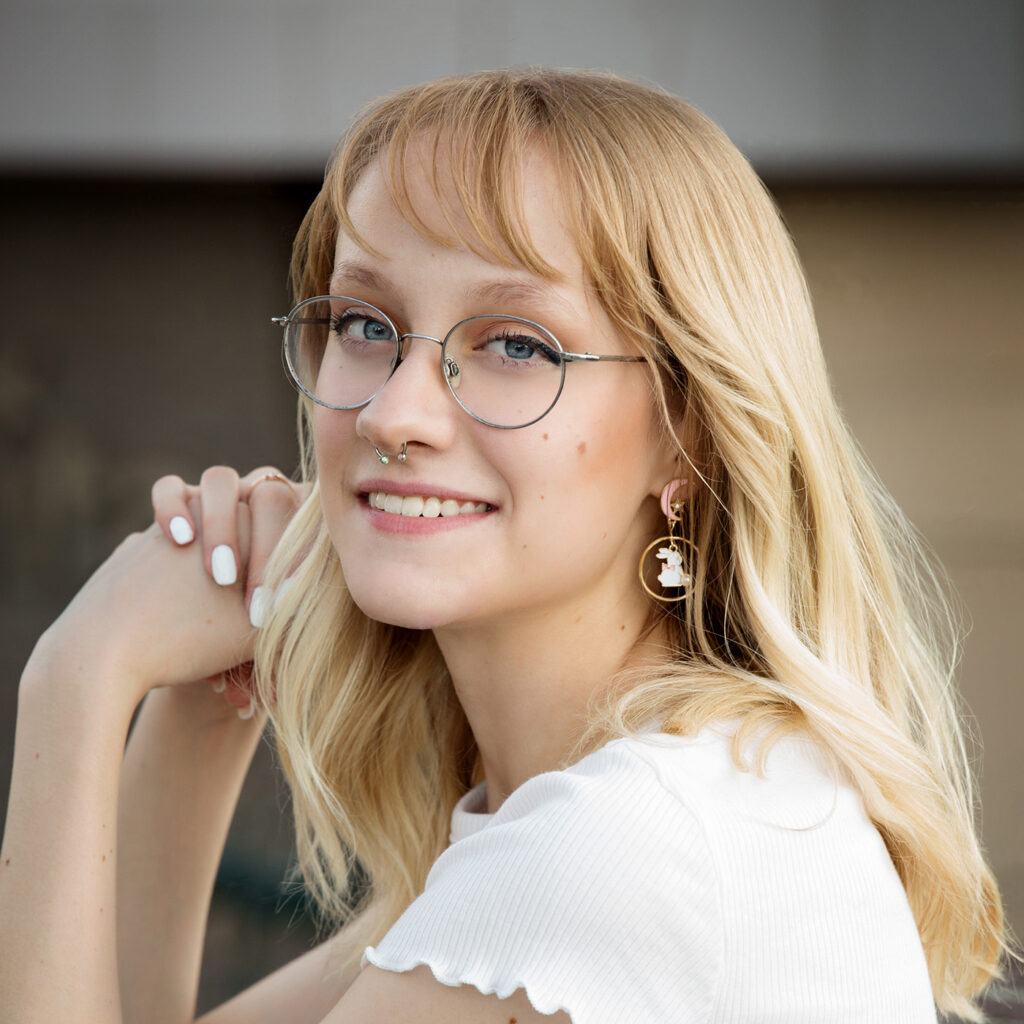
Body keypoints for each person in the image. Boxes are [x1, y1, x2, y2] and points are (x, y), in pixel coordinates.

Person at [0, 68, 1008, 1023]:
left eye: (517, 345)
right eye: (364, 322)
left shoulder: (622, 848)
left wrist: (76, 681)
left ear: (686, 431)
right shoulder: (597, 811)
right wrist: (197, 706)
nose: (397, 411)